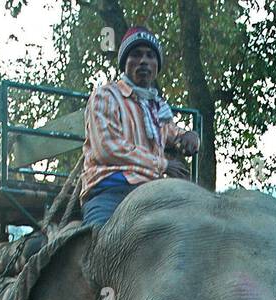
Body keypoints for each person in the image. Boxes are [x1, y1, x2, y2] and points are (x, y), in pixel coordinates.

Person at [80, 26, 201, 227]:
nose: (144, 60)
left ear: (156, 65)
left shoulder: (157, 107)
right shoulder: (106, 96)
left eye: (150, 56)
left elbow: (173, 133)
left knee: (196, 233)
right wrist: (163, 165)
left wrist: (191, 136)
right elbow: (107, 148)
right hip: (112, 188)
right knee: (99, 244)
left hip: (154, 192)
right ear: (124, 63)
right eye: (135, 54)